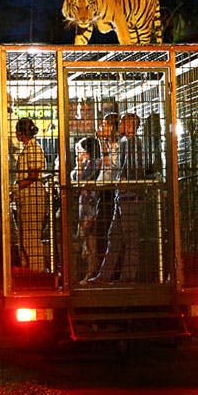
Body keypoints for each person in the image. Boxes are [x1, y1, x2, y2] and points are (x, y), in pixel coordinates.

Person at [87, 112, 145, 283]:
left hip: (128, 195)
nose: (120, 125)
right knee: (115, 236)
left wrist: (124, 179)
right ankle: (106, 275)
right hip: (122, 195)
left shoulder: (132, 143)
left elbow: (131, 166)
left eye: (123, 122)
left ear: (130, 125)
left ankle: (125, 277)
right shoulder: (127, 142)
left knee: (127, 238)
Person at [12, 117, 47, 271]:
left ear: (21, 133)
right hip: (25, 197)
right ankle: (28, 269)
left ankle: (37, 271)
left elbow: (34, 174)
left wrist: (17, 185)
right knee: (24, 237)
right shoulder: (27, 149)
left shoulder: (34, 148)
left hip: (33, 197)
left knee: (31, 237)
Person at [71, 135, 103, 281]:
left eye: (82, 150)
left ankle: (91, 272)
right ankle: (87, 272)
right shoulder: (87, 164)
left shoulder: (96, 164)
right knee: (85, 241)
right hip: (84, 205)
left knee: (90, 241)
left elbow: (83, 182)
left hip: (91, 205)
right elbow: (76, 179)